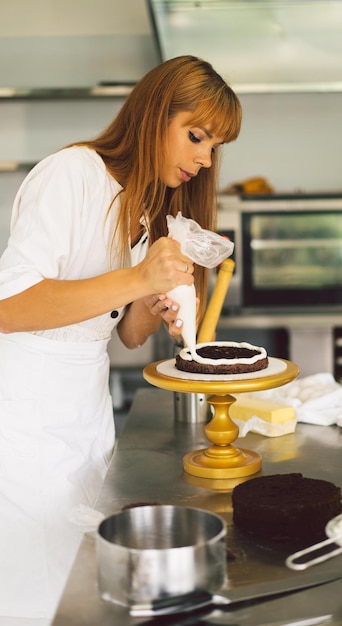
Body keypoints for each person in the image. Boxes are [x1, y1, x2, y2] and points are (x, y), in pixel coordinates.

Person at [0, 55, 241, 624]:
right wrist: (139, 277)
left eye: (215, 146)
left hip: (86, 406)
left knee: (75, 578)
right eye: (197, 136)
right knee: (30, 581)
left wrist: (156, 302)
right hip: (24, 414)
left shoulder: (146, 205)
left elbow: (126, 334)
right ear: (155, 113)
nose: (205, 159)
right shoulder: (72, 174)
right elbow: (9, 309)